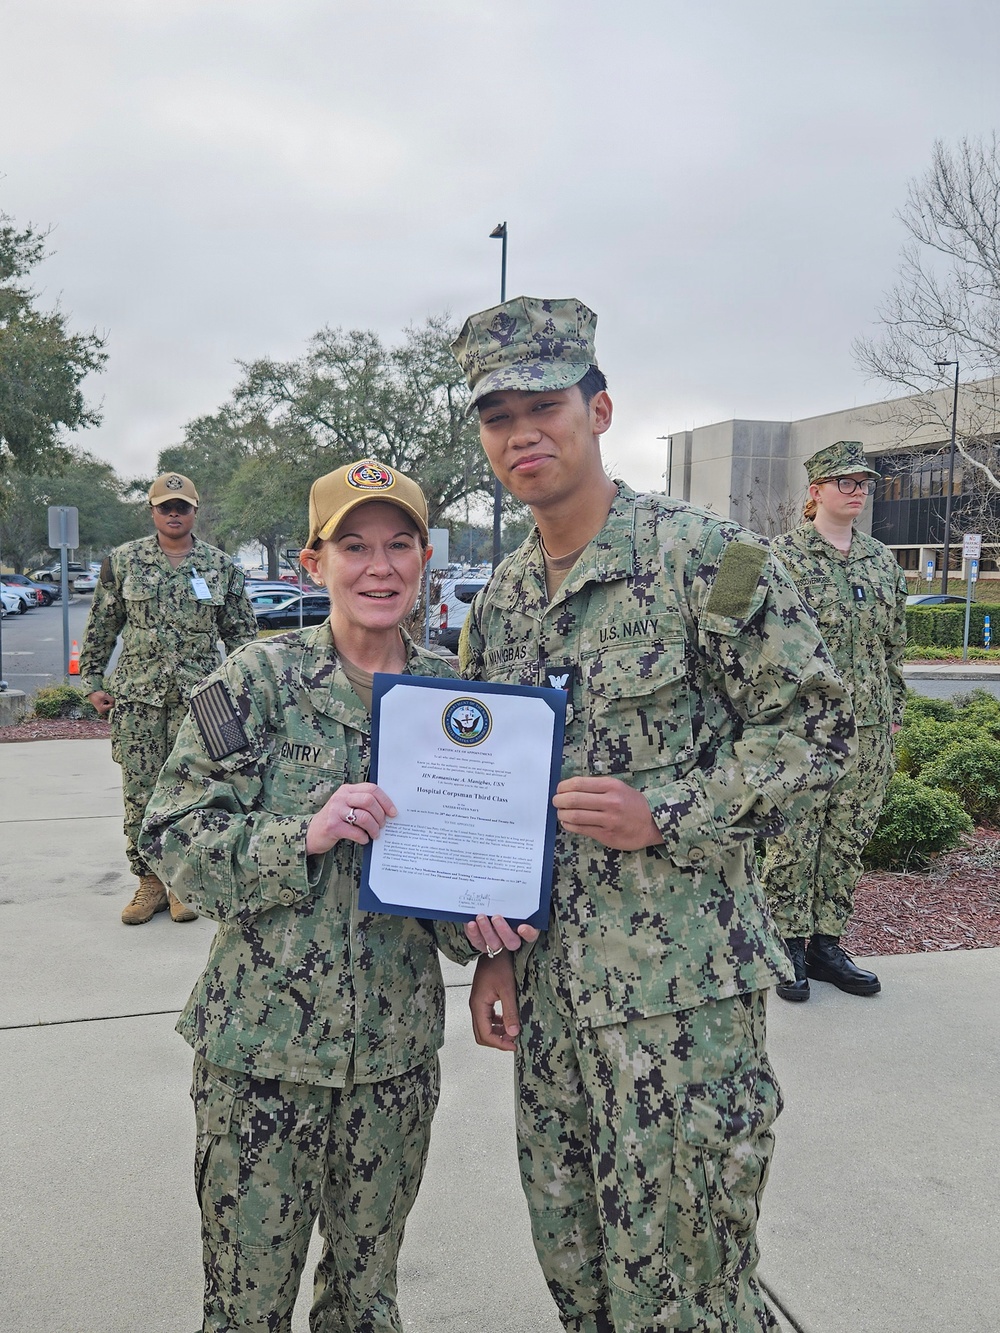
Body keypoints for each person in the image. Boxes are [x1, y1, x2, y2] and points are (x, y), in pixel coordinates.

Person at [450, 295, 857, 1333]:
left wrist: (665, 811)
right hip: (549, 1002)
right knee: (577, 1265)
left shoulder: (702, 561)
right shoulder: (498, 601)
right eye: (498, 417)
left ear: (600, 410)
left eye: (544, 405)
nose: (521, 433)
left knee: (688, 1285)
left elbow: (815, 729)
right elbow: (486, 795)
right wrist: (488, 950)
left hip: (679, 1003)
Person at [138, 460, 479, 1333]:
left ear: (425, 557)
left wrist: (483, 920)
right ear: (310, 562)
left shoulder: (455, 701)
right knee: (246, 1306)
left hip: (392, 1066)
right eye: (354, 546)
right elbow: (170, 837)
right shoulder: (253, 682)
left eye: (399, 544)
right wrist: (304, 832)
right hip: (261, 1062)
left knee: (367, 1304)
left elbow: (468, 883)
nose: (379, 566)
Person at [762, 442, 908, 1002]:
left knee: (847, 837)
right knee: (792, 836)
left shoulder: (880, 559)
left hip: (868, 727)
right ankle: (787, 945)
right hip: (801, 727)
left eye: (863, 482)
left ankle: (825, 944)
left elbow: (894, 645)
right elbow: (745, 640)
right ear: (815, 490)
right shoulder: (777, 557)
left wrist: (893, 711)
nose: (856, 490)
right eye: (843, 482)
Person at [78, 472, 258, 925]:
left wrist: (246, 691)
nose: (173, 513)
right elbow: (102, 626)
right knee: (139, 792)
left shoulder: (221, 567)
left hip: (205, 697)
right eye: (165, 507)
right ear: (153, 511)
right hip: (137, 696)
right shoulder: (122, 562)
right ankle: (149, 883)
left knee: (200, 790)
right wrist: (94, 680)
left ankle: (182, 882)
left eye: (181, 506)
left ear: (195, 510)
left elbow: (241, 635)